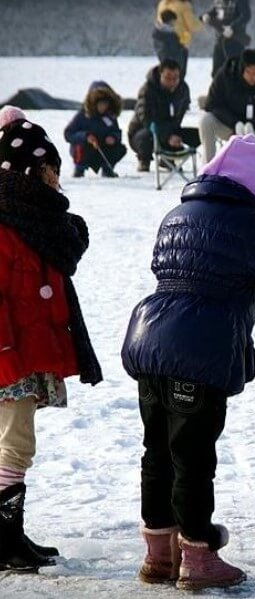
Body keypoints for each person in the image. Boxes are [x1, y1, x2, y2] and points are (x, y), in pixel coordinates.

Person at [121, 134, 255, 590]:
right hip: (197, 351)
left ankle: (158, 555)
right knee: (193, 457)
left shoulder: (176, 213)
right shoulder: (249, 223)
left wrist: (247, 287)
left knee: (157, 452)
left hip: (150, 340)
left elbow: (197, 270)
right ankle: (198, 557)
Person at [0, 107, 102, 572]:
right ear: (27, 170)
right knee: (15, 444)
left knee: (14, 443)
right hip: (10, 356)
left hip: (28, 349)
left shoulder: (32, 219)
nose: (56, 180)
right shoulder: (10, 222)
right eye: (49, 170)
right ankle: (4, 541)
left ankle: (10, 534)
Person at [200, 48, 255, 184]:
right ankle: (210, 171)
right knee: (206, 121)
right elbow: (212, 104)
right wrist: (234, 122)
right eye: (251, 73)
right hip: (228, 125)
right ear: (243, 68)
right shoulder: (225, 75)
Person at [128, 59, 198, 173]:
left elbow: (179, 116)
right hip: (145, 130)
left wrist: (174, 135)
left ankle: (168, 159)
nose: (172, 82)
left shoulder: (183, 90)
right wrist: (167, 137)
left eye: (175, 78)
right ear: (160, 75)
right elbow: (146, 119)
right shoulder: (147, 90)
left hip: (171, 128)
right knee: (146, 138)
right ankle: (144, 160)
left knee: (197, 135)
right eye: (168, 78)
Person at [63, 81, 127, 178]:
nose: (103, 107)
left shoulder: (110, 116)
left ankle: (107, 169)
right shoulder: (82, 115)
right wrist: (85, 136)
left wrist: (113, 137)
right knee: (81, 148)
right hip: (85, 150)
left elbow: (116, 132)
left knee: (119, 148)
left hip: (103, 149)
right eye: (100, 104)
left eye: (105, 103)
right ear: (93, 103)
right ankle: (79, 169)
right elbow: (68, 134)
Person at [202, 0, 251, 77]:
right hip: (219, 40)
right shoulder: (219, 1)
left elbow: (246, 16)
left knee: (235, 71)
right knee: (216, 72)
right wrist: (208, 15)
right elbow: (216, 11)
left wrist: (232, 27)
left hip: (235, 41)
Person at [152, 9, 189, 78]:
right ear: (169, 21)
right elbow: (170, 52)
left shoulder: (163, 33)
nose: (174, 24)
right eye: (173, 21)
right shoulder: (166, 34)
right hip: (172, 68)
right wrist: (183, 48)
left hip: (174, 68)